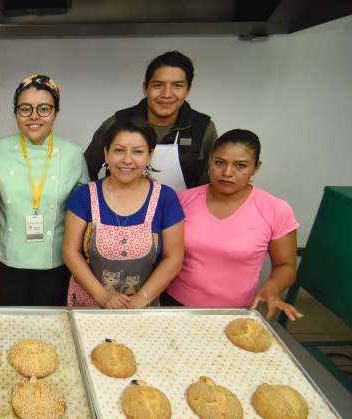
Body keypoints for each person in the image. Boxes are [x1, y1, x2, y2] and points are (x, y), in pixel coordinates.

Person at [163, 129, 303, 320]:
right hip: (174, 306)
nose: (227, 173)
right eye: (220, 162)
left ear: (256, 167)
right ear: (210, 161)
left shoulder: (275, 209)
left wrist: (271, 288)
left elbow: (286, 265)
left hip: (237, 312)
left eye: (240, 165)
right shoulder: (182, 200)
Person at [0, 74, 88, 306]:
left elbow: (83, 213)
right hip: (7, 263)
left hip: (55, 264)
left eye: (44, 109)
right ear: (15, 113)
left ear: (56, 113)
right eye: (25, 109)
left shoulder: (73, 154)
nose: (34, 116)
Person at [64, 119, 184, 308]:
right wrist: (102, 296)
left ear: (150, 155)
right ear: (106, 153)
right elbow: (71, 252)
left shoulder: (165, 198)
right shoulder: (84, 196)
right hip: (89, 305)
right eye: (119, 150)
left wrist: (141, 299)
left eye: (137, 151)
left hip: (142, 307)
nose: (127, 160)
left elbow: (174, 258)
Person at [84, 51, 217, 191]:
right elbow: (85, 171)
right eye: (158, 85)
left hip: (184, 211)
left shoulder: (203, 128)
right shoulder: (118, 123)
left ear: (188, 90)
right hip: (121, 210)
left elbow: (210, 184)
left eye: (177, 86)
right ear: (145, 88)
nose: (166, 94)